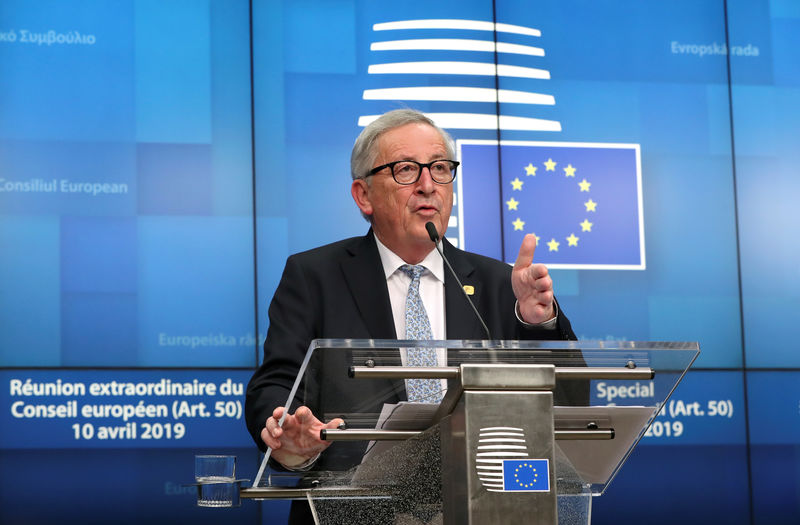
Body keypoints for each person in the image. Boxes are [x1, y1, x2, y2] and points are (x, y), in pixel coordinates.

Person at [245, 109, 581, 521]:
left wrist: (537, 324)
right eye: (407, 170)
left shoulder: (501, 285)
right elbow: (277, 385)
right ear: (363, 195)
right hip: (352, 512)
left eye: (440, 168)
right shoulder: (315, 276)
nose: (428, 186)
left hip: (486, 510)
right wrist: (289, 438)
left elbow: (571, 408)